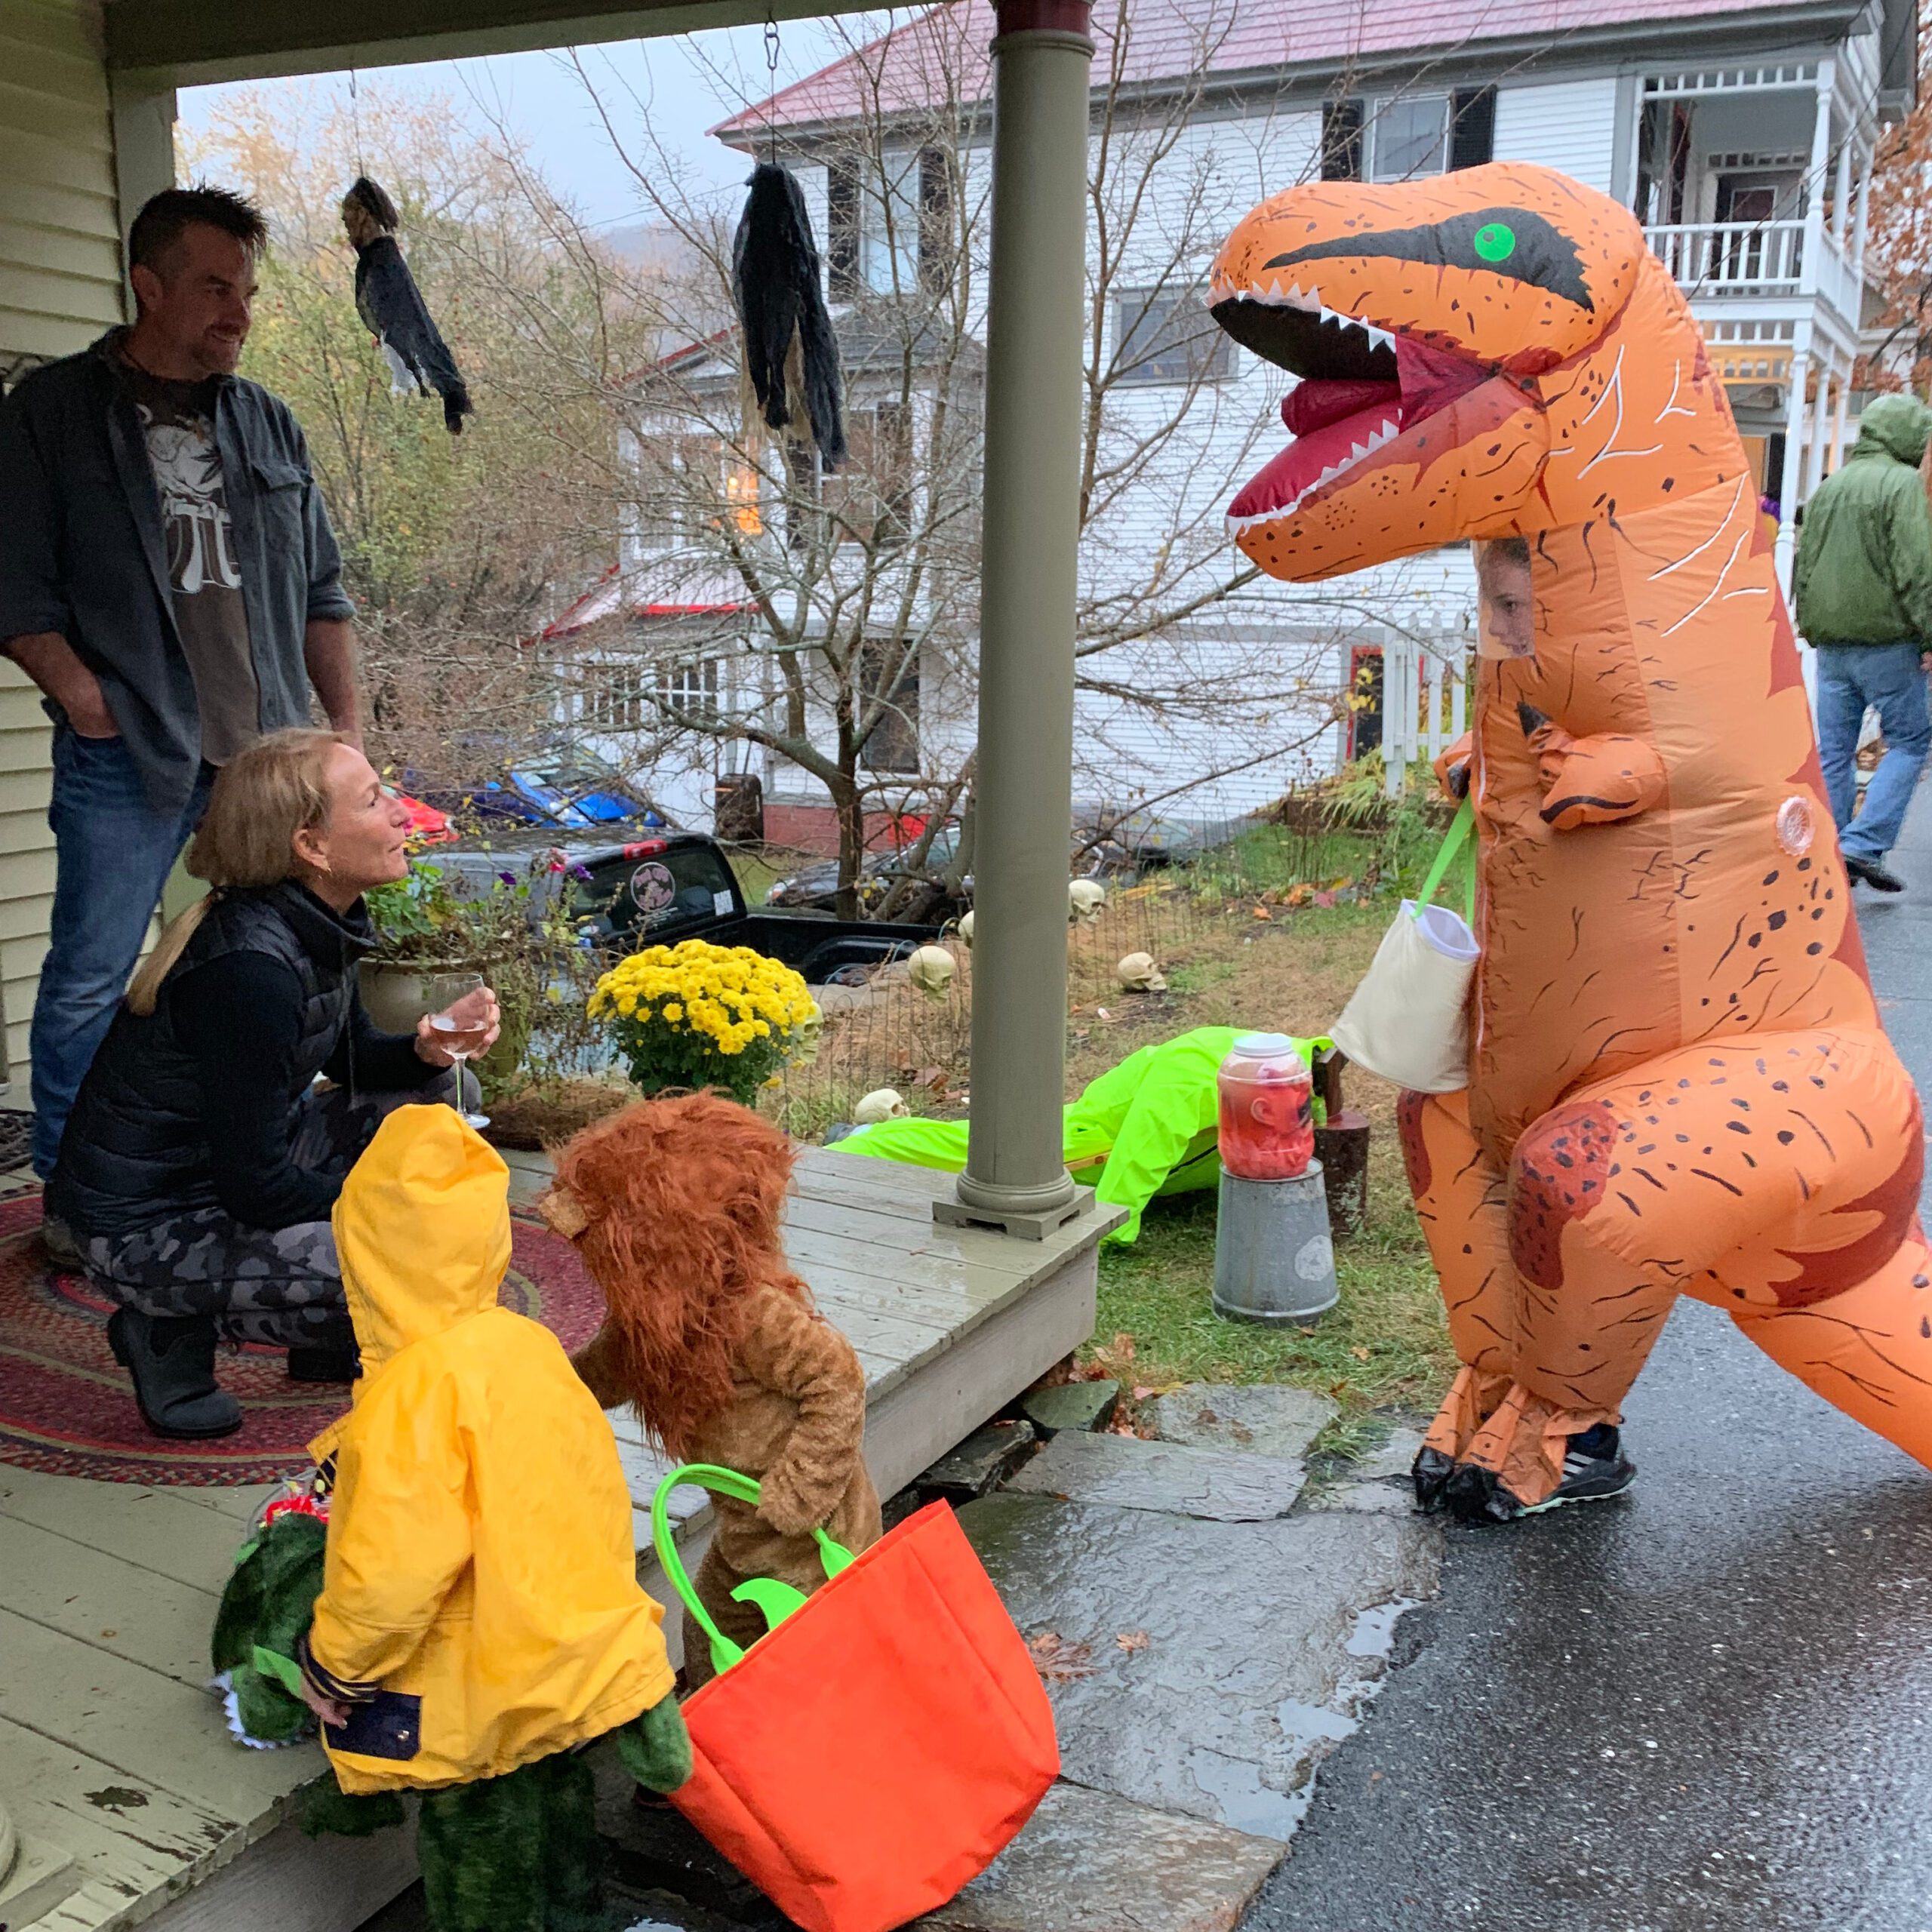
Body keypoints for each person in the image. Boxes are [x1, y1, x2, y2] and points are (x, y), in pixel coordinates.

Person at [0, 184, 364, 1235]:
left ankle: (260, 1172)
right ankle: (80, 1199)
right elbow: (14, 588)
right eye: (213, 288)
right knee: (90, 979)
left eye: (246, 290)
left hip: (271, 761)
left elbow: (324, 593)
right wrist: (85, 699)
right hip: (130, 755)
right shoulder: (52, 417)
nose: (238, 313)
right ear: (146, 285)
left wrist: (343, 733)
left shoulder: (268, 422)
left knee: (277, 971)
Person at [286, 1105, 691, 1932]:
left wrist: (336, 1662)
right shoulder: (524, 1343)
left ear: (367, 1252)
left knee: (483, 1862)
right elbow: (583, 1484)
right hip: (558, 1658)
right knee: (561, 1826)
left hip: (474, 1691)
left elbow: (390, 1570)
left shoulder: (410, 1393)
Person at [46, 729, 499, 1439]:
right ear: (311, 846)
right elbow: (256, 1188)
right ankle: (166, 1329)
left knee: (433, 1102)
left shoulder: (318, 921)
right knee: (401, 1259)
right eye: (373, 801)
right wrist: (399, 1207)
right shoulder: (249, 971)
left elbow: (354, 1063)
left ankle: (323, 1339)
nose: (402, 815)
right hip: (141, 1229)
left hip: (218, 1178)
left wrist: (430, 1046)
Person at [1792, 391, 1932, 894]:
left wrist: (1808, 624)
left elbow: (1804, 565)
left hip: (1832, 646)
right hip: (1888, 641)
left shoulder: (1831, 488)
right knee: (1911, 740)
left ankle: (1830, 846)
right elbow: (1917, 568)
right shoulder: (1901, 485)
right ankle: (1864, 843)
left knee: (1835, 749)